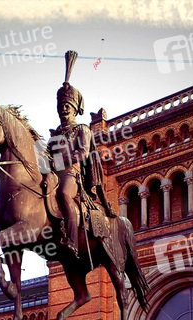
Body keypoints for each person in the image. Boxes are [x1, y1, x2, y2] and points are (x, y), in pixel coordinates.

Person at [46, 50, 117, 259]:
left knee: (63, 194)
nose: (64, 110)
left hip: (71, 174)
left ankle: (72, 241)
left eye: (67, 106)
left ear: (75, 108)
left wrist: (59, 161)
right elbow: (46, 158)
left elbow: (83, 153)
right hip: (54, 174)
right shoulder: (55, 134)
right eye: (61, 106)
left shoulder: (83, 129)